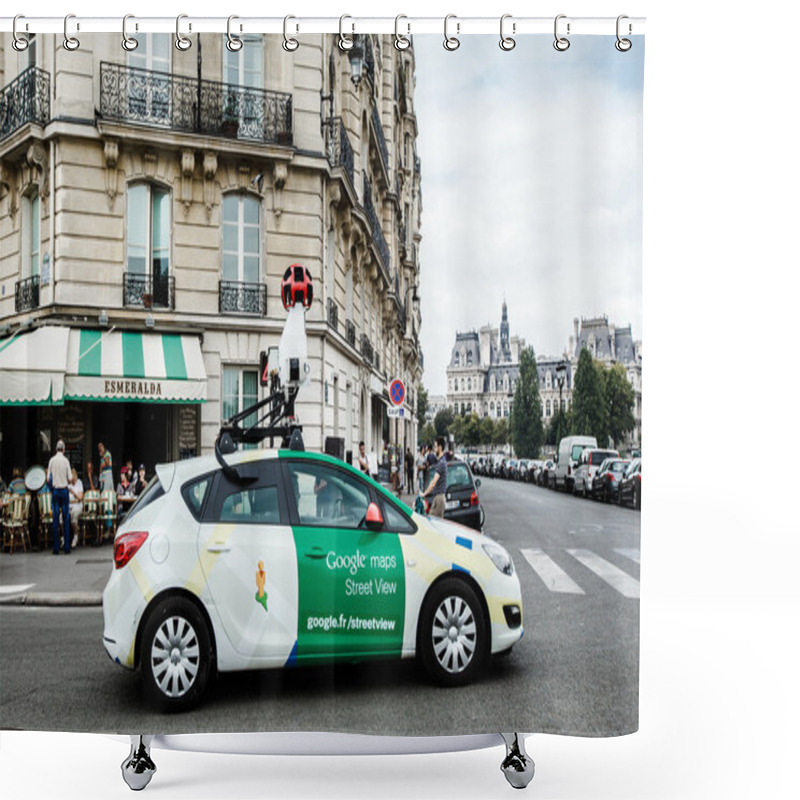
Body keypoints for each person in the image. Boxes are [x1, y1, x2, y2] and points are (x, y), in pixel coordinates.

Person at [47, 440, 72, 554]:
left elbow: (48, 479)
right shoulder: (66, 461)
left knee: (55, 520)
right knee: (66, 518)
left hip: (56, 491)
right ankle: (67, 547)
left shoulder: (52, 460)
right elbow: (70, 478)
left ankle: (56, 548)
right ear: (64, 449)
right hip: (64, 490)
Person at [421, 436, 448, 518]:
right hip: (438, 497)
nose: (434, 449)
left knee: (433, 523)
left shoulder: (441, 463)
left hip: (439, 498)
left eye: (435, 446)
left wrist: (424, 494)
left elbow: (433, 483)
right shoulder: (440, 461)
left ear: (440, 447)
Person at [67, 468, 84, 549]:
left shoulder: (79, 483)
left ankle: (76, 535)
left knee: (74, 514)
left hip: (77, 506)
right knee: (61, 517)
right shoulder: (68, 485)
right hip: (69, 506)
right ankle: (64, 537)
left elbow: (80, 498)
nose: (73, 482)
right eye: (72, 480)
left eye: (74, 480)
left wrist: (73, 493)